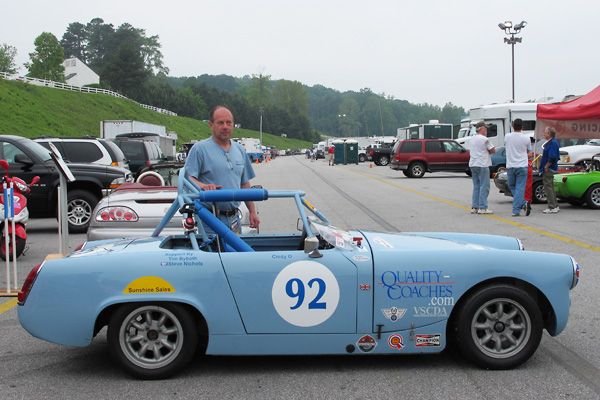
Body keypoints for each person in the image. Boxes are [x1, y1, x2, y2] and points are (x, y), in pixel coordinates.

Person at [185, 106, 260, 233]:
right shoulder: (199, 149)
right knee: (213, 252)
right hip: (209, 218)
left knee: (235, 252)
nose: (225, 126)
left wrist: (252, 211)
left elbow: (244, 183)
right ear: (211, 125)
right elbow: (187, 178)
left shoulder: (239, 149)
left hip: (234, 218)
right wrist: (202, 186)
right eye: (220, 123)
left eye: (228, 122)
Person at [505, 118, 534, 216]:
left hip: (510, 165)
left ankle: (517, 209)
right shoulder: (526, 138)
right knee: (520, 188)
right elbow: (529, 151)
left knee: (511, 186)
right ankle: (523, 203)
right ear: (522, 127)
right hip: (522, 165)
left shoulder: (507, 136)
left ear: (513, 126)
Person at [469, 122, 495, 214]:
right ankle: (483, 207)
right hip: (482, 163)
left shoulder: (472, 139)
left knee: (476, 186)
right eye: (485, 128)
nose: (486, 130)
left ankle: (475, 206)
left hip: (473, 163)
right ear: (482, 128)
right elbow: (492, 150)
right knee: (484, 186)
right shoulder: (485, 139)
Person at [540, 126, 560, 213]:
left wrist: (546, 166)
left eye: (545, 132)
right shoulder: (551, 143)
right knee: (550, 187)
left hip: (549, 169)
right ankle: (555, 205)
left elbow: (552, 157)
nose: (544, 133)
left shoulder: (552, 144)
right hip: (550, 168)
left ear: (549, 134)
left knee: (548, 187)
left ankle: (552, 207)